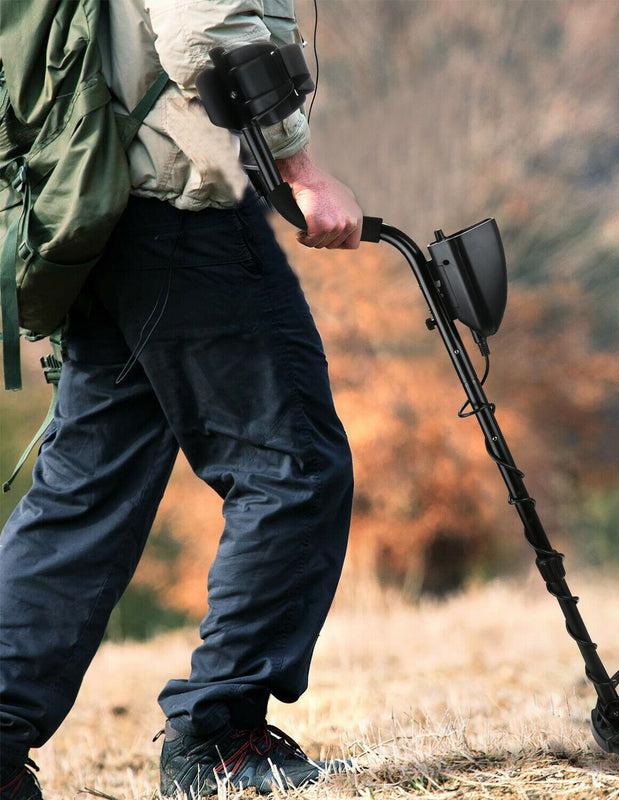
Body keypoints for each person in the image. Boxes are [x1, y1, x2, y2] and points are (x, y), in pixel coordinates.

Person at [0, 1, 361, 797]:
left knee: (83, 495)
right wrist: (298, 170)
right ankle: (219, 739)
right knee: (292, 465)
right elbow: (206, 27)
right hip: (180, 202)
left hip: (98, 208)